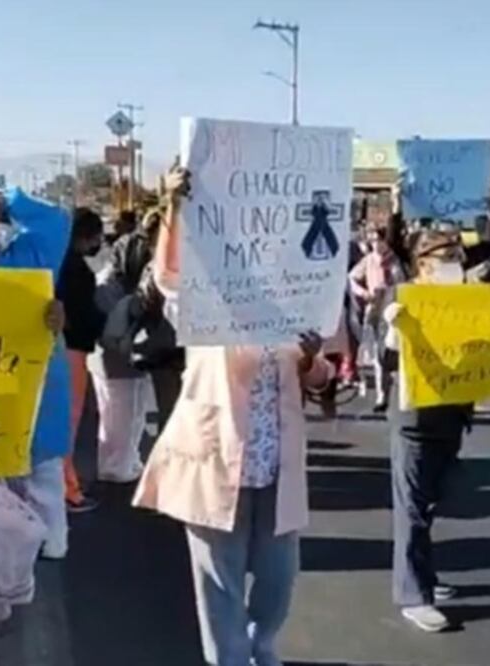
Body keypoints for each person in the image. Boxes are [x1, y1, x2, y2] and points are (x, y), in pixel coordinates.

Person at [132, 167, 331, 666]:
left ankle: (262, 645)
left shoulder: (295, 301)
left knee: (278, 578)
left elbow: (320, 377)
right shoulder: (206, 301)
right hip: (216, 460)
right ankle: (230, 660)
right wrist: (175, 207)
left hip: (276, 468)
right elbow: (168, 277)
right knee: (218, 582)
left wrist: (311, 359)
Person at [383, 230, 472, 632]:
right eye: (447, 257)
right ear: (424, 263)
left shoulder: (464, 299)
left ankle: (424, 576)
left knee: (431, 502)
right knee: (413, 509)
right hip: (416, 420)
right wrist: (394, 331)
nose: (456, 263)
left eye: (458, 256)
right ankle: (413, 596)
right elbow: (386, 361)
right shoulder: (403, 298)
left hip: (451, 414)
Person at [0, 188, 72, 560]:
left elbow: (57, 220)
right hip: (21, 387)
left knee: (42, 471)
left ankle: (46, 544)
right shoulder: (30, 257)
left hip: (34, 387)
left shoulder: (28, 258)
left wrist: (7, 199)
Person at [90, 209, 162, 483]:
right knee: (128, 414)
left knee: (111, 412)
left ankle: (115, 462)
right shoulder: (137, 290)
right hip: (125, 353)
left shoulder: (105, 280)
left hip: (102, 354)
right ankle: (121, 467)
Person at [57, 207, 106, 512]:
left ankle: (61, 485)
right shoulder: (77, 272)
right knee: (69, 420)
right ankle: (67, 489)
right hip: (73, 349)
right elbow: (82, 315)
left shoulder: (53, 262)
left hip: (54, 348)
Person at [350, 226, 408, 413]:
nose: (375, 244)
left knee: (394, 350)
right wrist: (363, 293)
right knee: (377, 352)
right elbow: (352, 278)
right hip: (375, 309)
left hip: (392, 310)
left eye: (378, 240)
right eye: (372, 240)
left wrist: (392, 290)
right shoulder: (368, 260)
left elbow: (403, 283)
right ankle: (381, 395)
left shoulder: (394, 261)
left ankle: (398, 390)